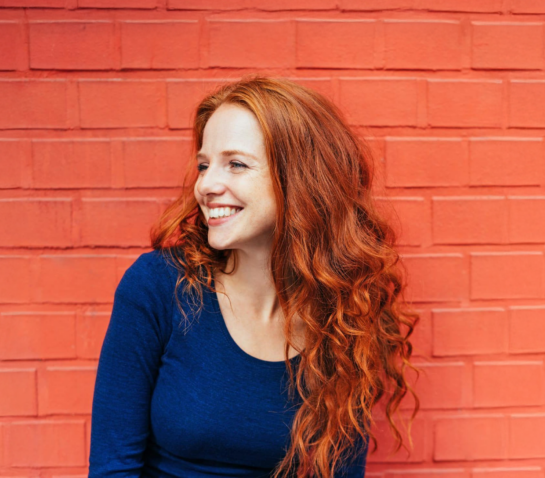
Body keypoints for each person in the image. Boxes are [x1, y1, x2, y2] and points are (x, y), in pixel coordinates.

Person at [89, 76, 419, 477]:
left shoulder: (345, 312)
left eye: (236, 164)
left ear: (300, 178)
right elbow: (113, 467)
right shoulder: (159, 287)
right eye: (204, 165)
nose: (206, 185)